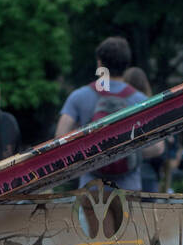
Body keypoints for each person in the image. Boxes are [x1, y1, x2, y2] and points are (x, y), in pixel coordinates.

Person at [55, 37, 148, 190]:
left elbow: (60, 139)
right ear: (127, 65)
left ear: (99, 63)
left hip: (91, 188)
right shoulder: (141, 100)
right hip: (129, 189)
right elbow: (158, 148)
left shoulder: (79, 96)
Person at [121, 67, 169, 192]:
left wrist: (123, 154)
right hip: (147, 173)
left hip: (122, 175)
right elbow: (159, 148)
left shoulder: (119, 107)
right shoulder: (150, 106)